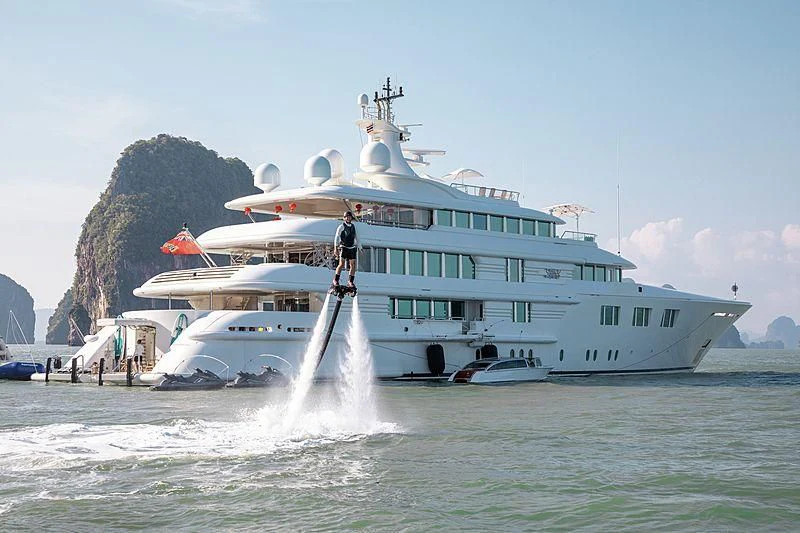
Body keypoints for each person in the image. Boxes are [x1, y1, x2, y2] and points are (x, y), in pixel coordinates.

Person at [332, 210, 359, 289]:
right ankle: (336, 279)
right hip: (344, 247)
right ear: (344, 218)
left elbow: (357, 237)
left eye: (349, 217)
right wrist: (335, 248)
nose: (348, 218)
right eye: (346, 217)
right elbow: (337, 237)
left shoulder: (353, 226)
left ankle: (350, 281)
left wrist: (360, 247)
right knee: (341, 264)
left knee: (353, 265)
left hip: (352, 247)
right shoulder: (341, 226)